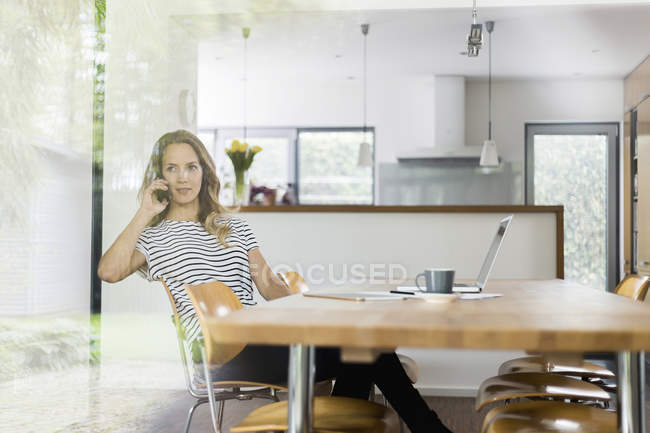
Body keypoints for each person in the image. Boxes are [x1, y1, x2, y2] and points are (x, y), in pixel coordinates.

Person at [98, 130, 452, 433]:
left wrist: (311, 310)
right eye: (171, 169)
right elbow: (109, 272)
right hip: (220, 354)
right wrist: (144, 212)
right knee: (365, 350)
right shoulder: (155, 236)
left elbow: (267, 285)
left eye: (191, 167)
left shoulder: (231, 225)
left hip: (260, 340)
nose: (183, 177)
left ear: (204, 172)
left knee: (362, 348)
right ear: (159, 177)